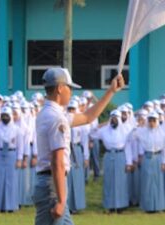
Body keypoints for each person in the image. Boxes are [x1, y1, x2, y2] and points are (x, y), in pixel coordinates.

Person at [33, 67, 124, 225]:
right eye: (69, 87)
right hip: (52, 187)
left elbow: (88, 117)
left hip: (50, 185)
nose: (71, 92)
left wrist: (111, 91)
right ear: (60, 88)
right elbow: (57, 162)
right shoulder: (57, 118)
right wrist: (61, 201)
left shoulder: (47, 113)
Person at [90, 110, 131, 213]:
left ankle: (121, 206)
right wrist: (98, 126)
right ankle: (110, 206)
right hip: (108, 155)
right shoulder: (104, 130)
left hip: (120, 155)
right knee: (109, 181)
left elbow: (128, 148)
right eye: (112, 118)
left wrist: (129, 162)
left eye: (115, 118)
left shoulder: (125, 131)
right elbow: (91, 134)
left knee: (121, 181)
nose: (113, 120)